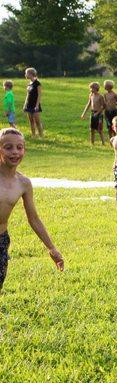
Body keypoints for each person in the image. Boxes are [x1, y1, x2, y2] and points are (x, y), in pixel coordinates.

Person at [0, 128, 64, 291]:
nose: (15, 152)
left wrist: (51, 248)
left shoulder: (23, 183)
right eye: (8, 147)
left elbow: (33, 218)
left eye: (19, 147)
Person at [23, 68, 43, 138]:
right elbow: (27, 95)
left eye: (26, 73)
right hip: (29, 105)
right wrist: (25, 105)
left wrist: (37, 105)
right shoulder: (29, 84)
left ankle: (41, 136)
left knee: (37, 121)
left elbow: (39, 95)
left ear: (31, 74)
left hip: (35, 105)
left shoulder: (38, 83)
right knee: (31, 121)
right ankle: (33, 135)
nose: (25, 75)